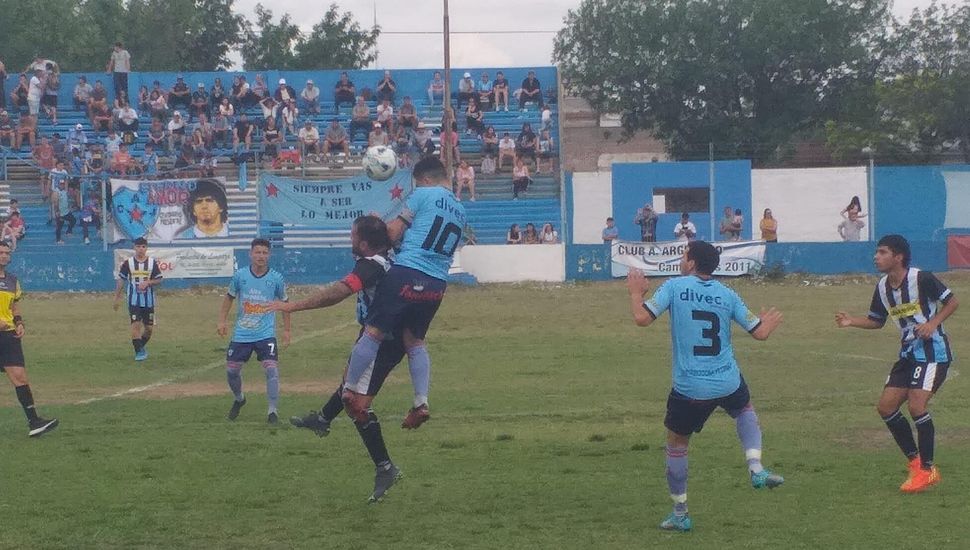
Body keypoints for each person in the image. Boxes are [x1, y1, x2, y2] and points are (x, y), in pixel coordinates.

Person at [627, 240, 785, 532]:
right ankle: (756, 468)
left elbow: (641, 319)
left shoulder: (675, 287)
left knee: (677, 444)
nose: (681, 259)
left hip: (690, 387)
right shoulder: (728, 294)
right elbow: (760, 333)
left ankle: (680, 513)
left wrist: (636, 293)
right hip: (727, 380)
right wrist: (769, 322)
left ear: (691, 262)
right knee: (744, 408)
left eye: (684, 255)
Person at [272, 216, 410, 501]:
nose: (349, 239)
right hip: (377, 333)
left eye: (352, 235)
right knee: (349, 383)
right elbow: (397, 230)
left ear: (362, 243)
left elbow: (338, 293)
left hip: (384, 340)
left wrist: (293, 306)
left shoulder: (370, 266)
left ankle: (385, 467)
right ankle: (322, 419)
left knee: (356, 403)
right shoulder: (391, 252)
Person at [340, 157, 465, 432]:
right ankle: (421, 402)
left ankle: (349, 388)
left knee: (373, 332)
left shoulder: (423, 194)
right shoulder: (460, 208)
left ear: (426, 180)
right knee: (415, 341)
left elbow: (393, 234)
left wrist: (375, 223)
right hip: (437, 283)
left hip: (407, 272)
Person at [835, 235, 958, 493]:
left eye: (882, 252)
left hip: (933, 354)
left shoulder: (921, 278)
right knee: (886, 407)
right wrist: (852, 322)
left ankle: (927, 470)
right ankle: (915, 462)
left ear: (898, 256)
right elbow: (876, 320)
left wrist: (933, 324)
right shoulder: (882, 287)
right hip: (908, 355)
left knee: (916, 406)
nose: (876, 257)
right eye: (876, 252)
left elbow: (952, 301)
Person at [217, 238, 290, 424]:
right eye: (257, 252)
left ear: (269, 255)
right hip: (242, 333)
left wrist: (287, 330)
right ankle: (240, 399)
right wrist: (222, 321)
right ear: (250, 254)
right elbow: (229, 298)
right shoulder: (240, 276)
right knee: (232, 371)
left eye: (265, 253)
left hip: (266, 333)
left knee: (271, 370)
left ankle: (272, 412)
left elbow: (285, 304)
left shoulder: (276, 278)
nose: (261, 256)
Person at [0, 242, 59, 437]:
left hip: (8, 335)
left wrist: (19, 322)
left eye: (6, 253)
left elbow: (14, 306)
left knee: (20, 377)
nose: (4, 256)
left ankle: (34, 422)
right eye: (0, 252)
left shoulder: (12, 281)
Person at [113, 237, 163, 361]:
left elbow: (159, 279)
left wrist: (148, 283)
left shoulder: (152, 263)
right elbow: (121, 279)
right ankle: (139, 352)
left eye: (143, 247)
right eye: (138, 246)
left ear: (146, 248)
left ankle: (140, 346)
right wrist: (117, 297)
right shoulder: (128, 263)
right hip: (133, 300)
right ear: (134, 248)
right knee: (135, 325)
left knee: (149, 329)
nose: (141, 249)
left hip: (148, 301)